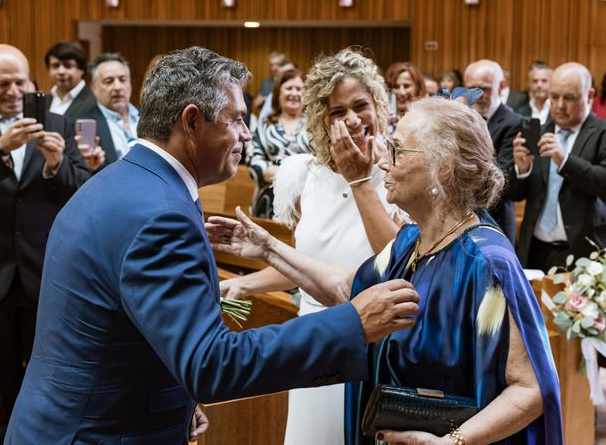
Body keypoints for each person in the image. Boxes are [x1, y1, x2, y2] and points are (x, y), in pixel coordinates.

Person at [4, 46, 421, 445]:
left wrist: (178, 399)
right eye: (236, 119)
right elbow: (211, 364)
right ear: (191, 122)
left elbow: (120, 326)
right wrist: (352, 323)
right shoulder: (161, 214)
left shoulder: (118, 182)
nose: (245, 134)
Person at [209, 97, 563, 445]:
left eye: (396, 150)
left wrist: (453, 441)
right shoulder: (410, 242)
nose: (382, 162)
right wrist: (267, 248)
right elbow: (347, 291)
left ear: (445, 167)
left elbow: (532, 389)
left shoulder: (485, 262)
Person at [223, 48, 405, 445]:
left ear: (379, 104)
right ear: (322, 120)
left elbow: (398, 263)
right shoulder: (302, 175)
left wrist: (362, 181)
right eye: (338, 112)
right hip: (313, 335)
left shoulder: (399, 175)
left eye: (361, 106)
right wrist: (243, 286)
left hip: (373, 339)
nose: (353, 120)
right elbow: (303, 264)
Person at [0, 44, 91, 444]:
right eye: (3, 83)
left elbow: (84, 193)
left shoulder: (59, 121)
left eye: (21, 81)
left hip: (46, 272)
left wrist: (56, 164)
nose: (14, 90)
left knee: (52, 378)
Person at [508, 62, 606, 272]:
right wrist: (521, 170)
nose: (560, 105)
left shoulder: (601, 133)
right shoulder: (539, 132)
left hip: (584, 252)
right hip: (535, 250)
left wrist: (565, 160)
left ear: (589, 95)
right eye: (554, 97)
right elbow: (515, 194)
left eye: (569, 97)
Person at [464, 59, 521, 245]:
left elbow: (502, 176)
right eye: (471, 88)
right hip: (459, 219)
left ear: (502, 86)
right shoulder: (461, 119)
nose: (477, 95)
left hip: (496, 219)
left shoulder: (514, 123)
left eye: (485, 88)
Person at [249, 68, 308, 217]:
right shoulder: (266, 123)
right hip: (268, 203)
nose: (294, 93)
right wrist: (283, 176)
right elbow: (253, 158)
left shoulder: (316, 124)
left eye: (299, 89)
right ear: (278, 93)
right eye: (289, 88)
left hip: (307, 202)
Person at [72, 52, 138, 167]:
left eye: (122, 80)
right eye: (109, 81)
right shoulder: (84, 124)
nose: (117, 87)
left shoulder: (147, 116)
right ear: (94, 88)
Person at [44, 41, 97, 116]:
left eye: (67, 65)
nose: (61, 71)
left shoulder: (95, 102)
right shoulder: (44, 101)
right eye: (55, 66)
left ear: (82, 69)